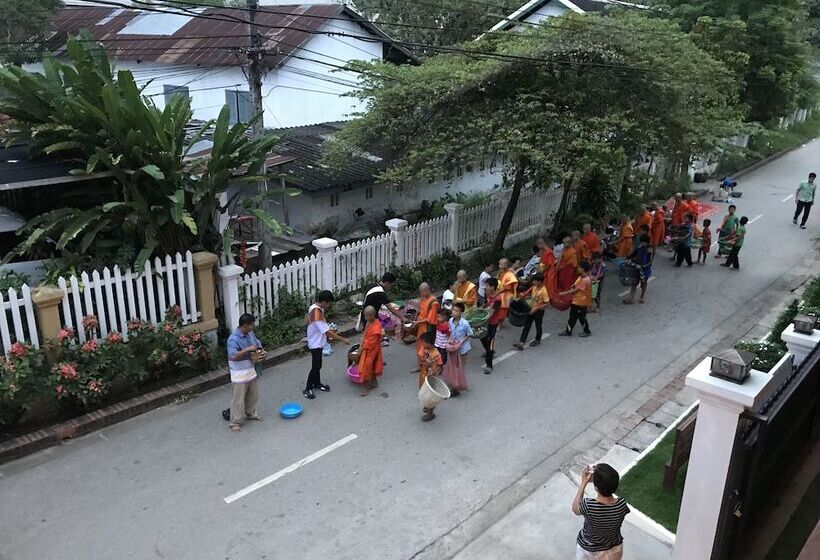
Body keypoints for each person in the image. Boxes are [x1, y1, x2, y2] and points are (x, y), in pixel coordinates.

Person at [572, 463, 630, 560]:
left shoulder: (589, 505)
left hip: (589, 551)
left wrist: (583, 483)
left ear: (596, 487)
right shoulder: (622, 505)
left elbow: (575, 509)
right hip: (613, 550)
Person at [305, 290, 350, 400]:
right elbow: (328, 332)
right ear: (324, 302)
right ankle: (308, 388)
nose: (329, 305)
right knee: (316, 366)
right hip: (315, 343)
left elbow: (308, 319)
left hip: (317, 341)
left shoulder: (315, 307)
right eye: (329, 303)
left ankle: (317, 384)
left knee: (318, 365)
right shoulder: (317, 314)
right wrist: (343, 339)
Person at [226, 313, 264, 432]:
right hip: (239, 374)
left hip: (250, 370)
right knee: (238, 399)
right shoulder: (233, 339)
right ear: (245, 325)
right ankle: (235, 422)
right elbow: (233, 356)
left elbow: (257, 344)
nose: (252, 328)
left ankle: (249, 413)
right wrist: (248, 349)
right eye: (251, 325)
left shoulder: (250, 333)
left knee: (253, 395)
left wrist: (261, 351)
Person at [360, 272, 403, 345]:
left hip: (368, 314)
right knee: (370, 340)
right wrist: (403, 318)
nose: (390, 288)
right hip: (369, 317)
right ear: (387, 283)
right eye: (391, 285)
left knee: (371, 336)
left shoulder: (374, 286)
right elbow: (391, 309)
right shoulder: (380, 293)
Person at [514, 272, 549, 349]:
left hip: (539, 311)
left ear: (539, 281)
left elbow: (547, 303)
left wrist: (536, 308)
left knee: (538, 325)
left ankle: (537, 339)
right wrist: (523, 296)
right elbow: (529, 294)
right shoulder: (534, 286)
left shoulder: (544, 291)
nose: (533, 282)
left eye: (535, 281)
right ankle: (521, 342)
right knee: (527, 325)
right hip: (531, 309)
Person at [444, 302, 472, 396]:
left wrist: (461, 342)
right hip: (453, 348)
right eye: (453, 310)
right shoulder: (451, 320)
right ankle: (453, 384)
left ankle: (457, 388)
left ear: (461, 313)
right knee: (453, 367)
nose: (454, 312)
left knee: (460, 368)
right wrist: (450, 341)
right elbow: (451, 333)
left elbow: (469, 334)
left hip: (463, 349)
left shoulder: (465, 324)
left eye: (456, 311)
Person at [559, 262, 592, 337]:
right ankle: (568, 331)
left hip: (581, 302)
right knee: (572, 317)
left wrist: (563, 293)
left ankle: (586, 331)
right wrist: (572, 286)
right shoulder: (581, 277)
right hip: (576, 301)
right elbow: (575, 285)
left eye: (579, 267)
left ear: (583, 269)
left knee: (581, 318)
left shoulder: (585, 280)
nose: (578, 269)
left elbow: (575, 290)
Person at [357, 306, 384, 396]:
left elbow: (371, 343)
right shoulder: (369, 322)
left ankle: (368, 388)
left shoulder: (377, 327)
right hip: (366, 348)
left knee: (367, 368)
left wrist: (362, 348)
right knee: (371, 367)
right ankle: (374, 382)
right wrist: (360, 347)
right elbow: (365, 335)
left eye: (366, 316)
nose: (365, 318)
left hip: (372, 351)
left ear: (372, 316)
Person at [412, 283, 440, 370]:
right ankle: (420, 365)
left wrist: (417, 322)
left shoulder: (433, 302)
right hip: (421, 326)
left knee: (427, 347)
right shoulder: (424, 299)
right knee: (419, 346)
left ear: (426, 291)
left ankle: (431, 366)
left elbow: (430, 319)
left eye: (421, 292)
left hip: (427, 328)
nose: (420, 294)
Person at [418, 331, 444, 422]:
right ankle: (427, 405)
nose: (422, 344)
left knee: (431, 395)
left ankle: (430, 413)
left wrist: (434, 372)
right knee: (424, 390)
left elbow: (440, 366)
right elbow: (420, 360)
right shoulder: (423, 349)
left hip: (432, 376)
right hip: (423, 374)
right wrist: (424, 363)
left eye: (424, 342)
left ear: (429, 343)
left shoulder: (436, 354)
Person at [481, 278, 503, 374]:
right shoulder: (488, 294)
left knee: (490, 342)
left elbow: (492, 313)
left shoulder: (498, 299)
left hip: (492, 323)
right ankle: (489, 351)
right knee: (482, 337)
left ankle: (489, 365)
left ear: (492, 287)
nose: (486, 287)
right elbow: (486, 304)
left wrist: (481, 320)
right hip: (486, 322)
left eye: (487, 285)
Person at [624, 234, 652, 305]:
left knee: (643, 283)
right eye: (642, 242)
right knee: (634, 283)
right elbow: (632, 254)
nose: (642, 244)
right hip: (636, 268)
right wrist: (628, 258)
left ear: (647, 242)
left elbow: (649, 262)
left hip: (645, 270)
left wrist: (642, 266)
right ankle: (631, 298)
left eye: (644, 242)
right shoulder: (639, 247)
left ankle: (642, 296)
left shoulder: (649, 250)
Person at [496, 258, 519, 324]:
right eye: (499, 264)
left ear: (506, 265)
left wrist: (499, 292)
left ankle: (500, 323)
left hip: (506, 294)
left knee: (503, 309)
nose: (499, 266)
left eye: (501, 264)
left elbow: (507, 287)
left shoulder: (509, 274)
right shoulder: (501, 272)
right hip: (500, 291)